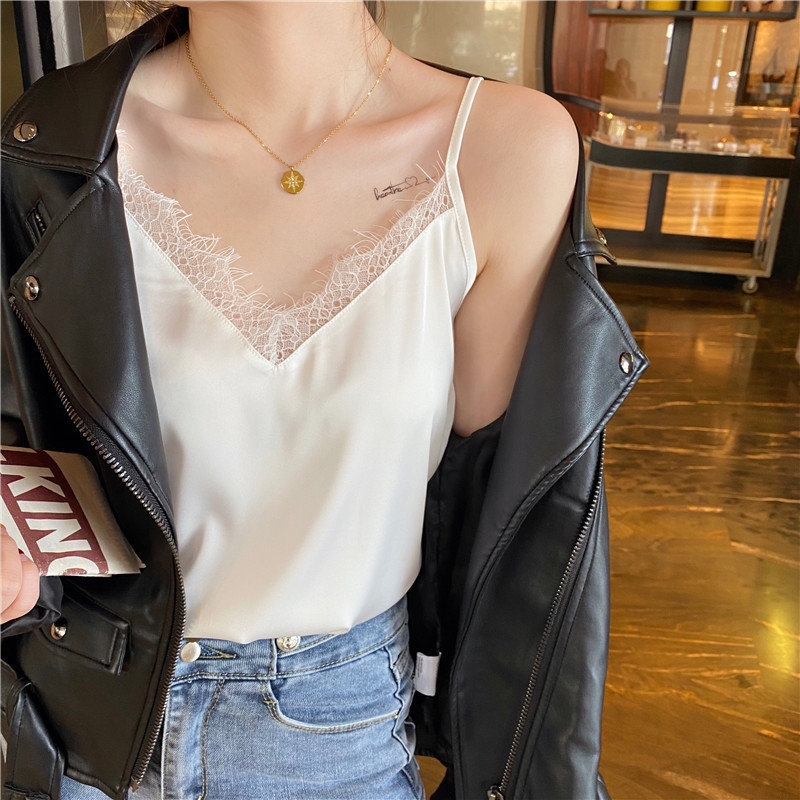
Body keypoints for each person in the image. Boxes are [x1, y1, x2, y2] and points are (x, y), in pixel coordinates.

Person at [1, 2, 646, 799]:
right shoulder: (50, 145)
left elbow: (508, 538)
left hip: (336, 742)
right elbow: (28, 433)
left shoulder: (503, 151)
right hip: (79, 731)